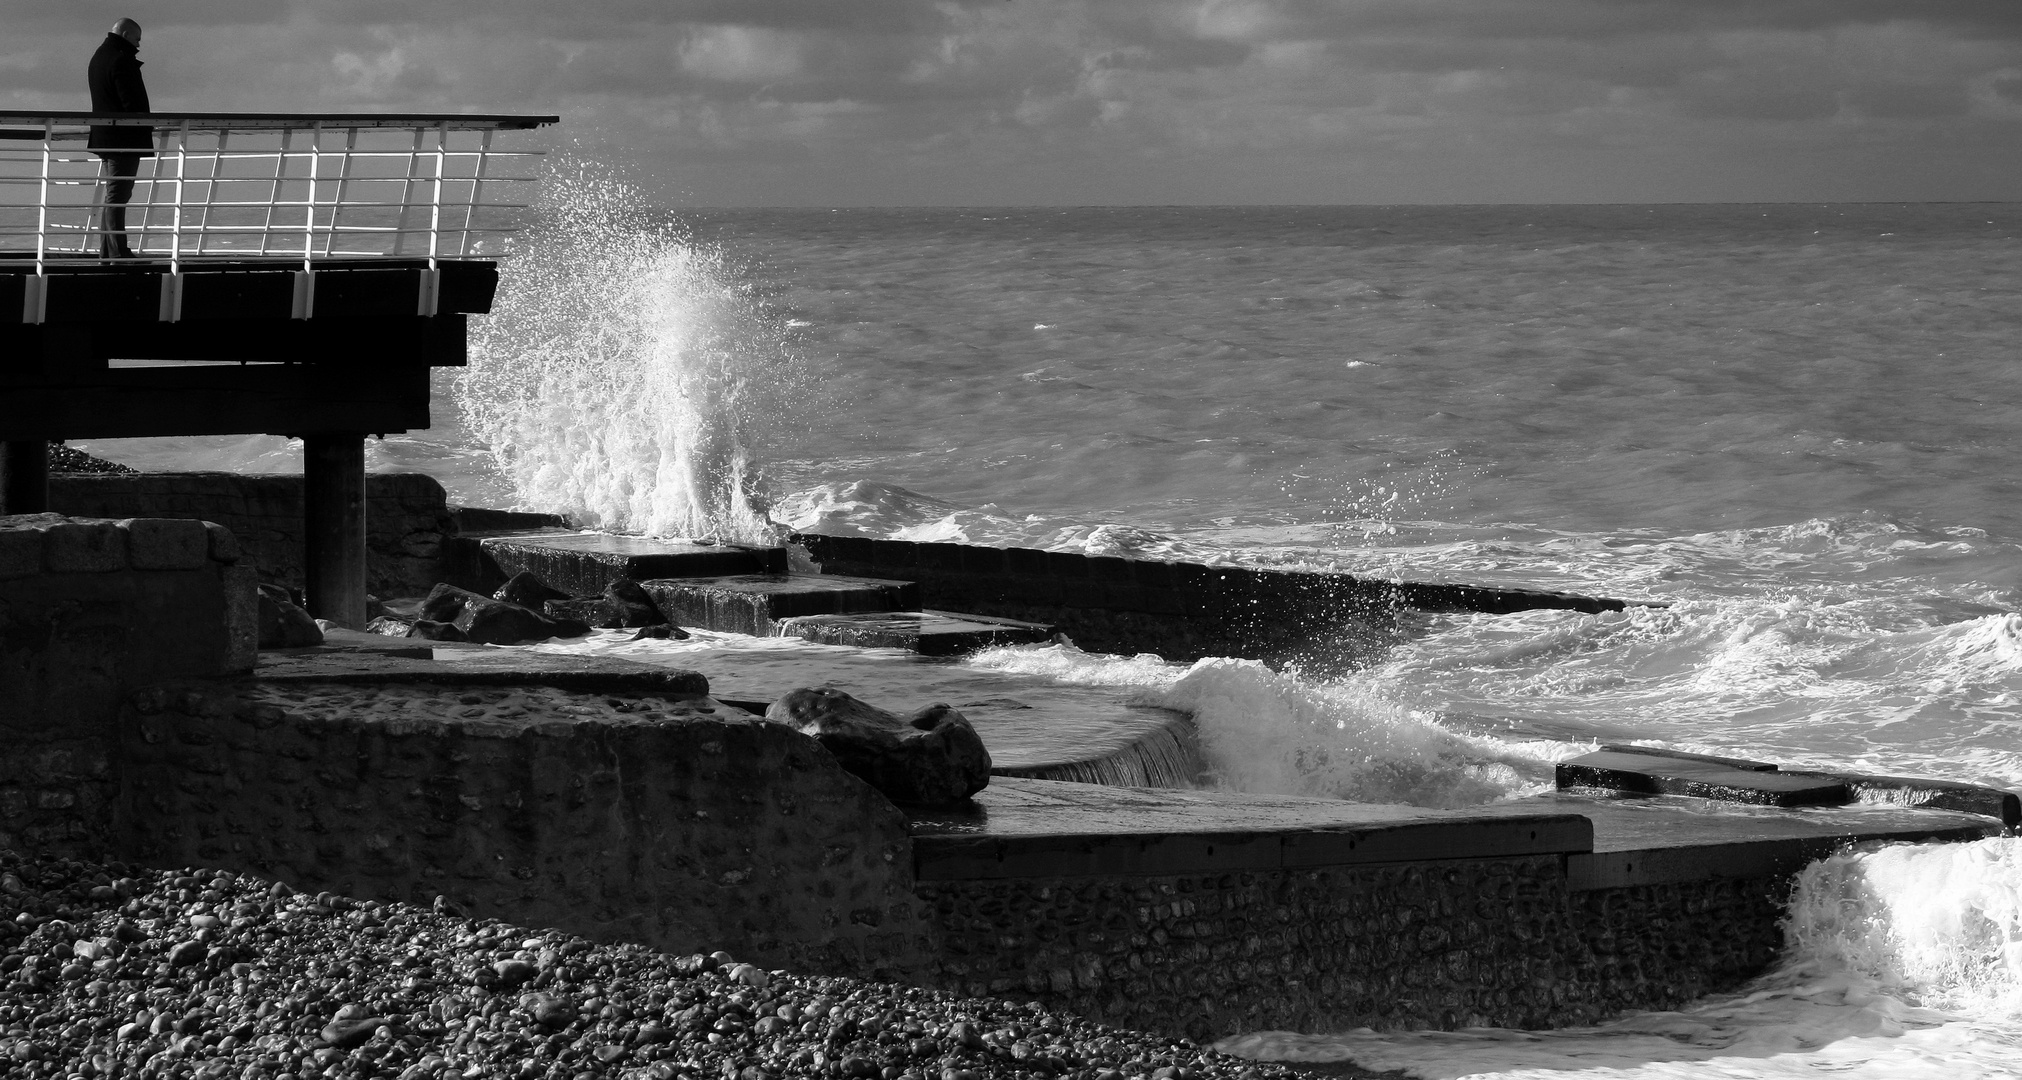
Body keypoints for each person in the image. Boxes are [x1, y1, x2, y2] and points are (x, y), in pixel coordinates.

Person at [87, 18, 151, 259]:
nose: (138, 45)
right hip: (124, 139)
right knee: (118, 196)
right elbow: (131, 104)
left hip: (106, 137)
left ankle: (108, 252)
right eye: (137, 39)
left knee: (112, 195)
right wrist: (145, 123)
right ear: (125, 34)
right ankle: (118, 253)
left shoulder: (99, 56)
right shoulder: (121, 60)